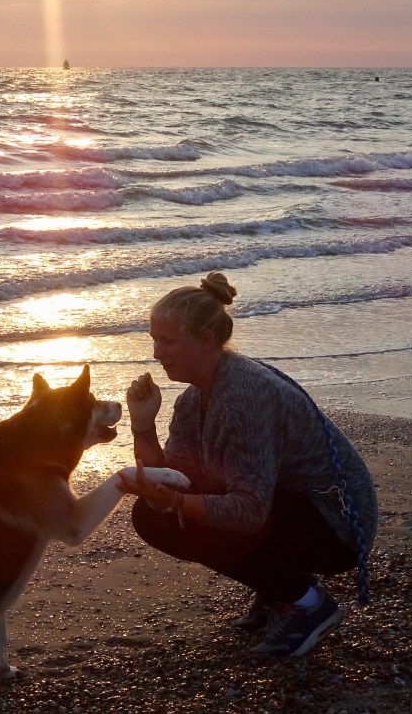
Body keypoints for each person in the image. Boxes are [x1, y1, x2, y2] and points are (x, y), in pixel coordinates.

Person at [116, 272, 378, 658]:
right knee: (153, 515)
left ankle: (305, 602)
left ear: (205, 340)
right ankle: (280, 589)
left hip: (336, 526)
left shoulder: (244, 396)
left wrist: (176, 504)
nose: (157, 352)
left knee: (182, 517)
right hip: (290, 508)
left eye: (167, 341)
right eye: (154, 339)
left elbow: (250, 512)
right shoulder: (192, 400)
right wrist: (142, 424)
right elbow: (179, 480)